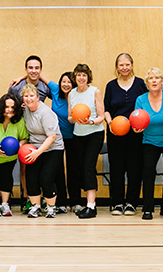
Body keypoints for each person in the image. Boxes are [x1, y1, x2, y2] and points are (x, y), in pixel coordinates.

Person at [103, 53, 147, 216]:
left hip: (136, 133)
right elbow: (106, 109)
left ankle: (131, 203)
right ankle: (117, 203)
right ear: (117, 67)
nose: (124, 67)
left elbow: (146, 106)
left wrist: (142, 125)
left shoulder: (141, 84)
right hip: (116, 133)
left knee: (135, 168)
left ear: (132, 65)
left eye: (127, 64)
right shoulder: (111, 86)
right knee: (117, 168)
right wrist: (110, 123)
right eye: (121, 65)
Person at [134, 68, 163, 220]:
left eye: (157, 78)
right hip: (149, 141)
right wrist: (136, 127)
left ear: (162, 81)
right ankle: (147, 209)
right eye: (150, 78)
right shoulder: (140, 100)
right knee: (148, 172)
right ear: (146, 82)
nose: (154, 80)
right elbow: (136, 118)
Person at [8, 55, 50, 212]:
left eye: (37, 68)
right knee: (25, 168)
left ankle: (43, 200)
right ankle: (28, 199)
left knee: (42, 169)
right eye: (30, 68)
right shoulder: (16, 87)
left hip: (40, 133)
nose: (34, 71)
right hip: (23, 132)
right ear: (25, 69)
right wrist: (19, 108)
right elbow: (8, 107)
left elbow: (60, 91)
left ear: (40, 70)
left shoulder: (45, 88)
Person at [21, 84, 65, 218]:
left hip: (53, 148)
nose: (29, 99)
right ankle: (36, 206)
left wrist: (37, 153)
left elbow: (51, 137)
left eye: (31, 95)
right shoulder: (26, 110)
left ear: (38, 97)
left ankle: (51, 207)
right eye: (26, 96)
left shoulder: (46, 113)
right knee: (31, 178)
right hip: (34, 147)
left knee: (46, 178)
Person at [68, 64, 105, 219]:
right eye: (78, 75)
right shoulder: (71, 93)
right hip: (78, 134)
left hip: (94, 133)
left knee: (89, 167)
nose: (81, 78)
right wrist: (75, 118)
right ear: (75, 78)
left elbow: (101, 116)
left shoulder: (94, 91)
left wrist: (91, 122)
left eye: (84, 75)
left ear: (88, 77)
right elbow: (70, 117)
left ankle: (91, 206)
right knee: (82, 168)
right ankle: (87, 204)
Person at [0, 93, 28, 217]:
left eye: (12, 107)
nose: (9, 110)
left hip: (9, 157)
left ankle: (4, 204)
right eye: (6, 107)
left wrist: (18, 147)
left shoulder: (18, 120)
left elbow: (24, 138)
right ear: (1, 107)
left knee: (6, 178)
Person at [46, 72, 76, 213]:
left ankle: (75, 202)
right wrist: (20, 78)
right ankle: (61, 203)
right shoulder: (55, 89)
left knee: (72, 169)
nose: (66, 84)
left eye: (69, 82)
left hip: (73, 137)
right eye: (64, 81)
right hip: (56, 138)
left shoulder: (76, 95)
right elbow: (39, 75)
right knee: (57, 170)